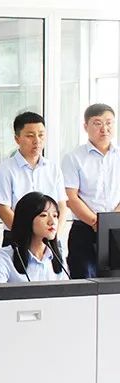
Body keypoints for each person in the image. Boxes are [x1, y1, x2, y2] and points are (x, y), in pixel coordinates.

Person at [62, 103, 120, 278]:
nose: (104, 128)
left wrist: (112, 221)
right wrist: (97, 223)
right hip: (84, 230)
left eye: (109, 123)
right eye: (97, 123)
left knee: (114, 285)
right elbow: (71, 198)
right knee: (84, 282)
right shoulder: (73, 158)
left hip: (116, 228)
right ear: (85, 126)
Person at [0, 112, 68, 246]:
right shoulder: (5, 169)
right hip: (17, 238)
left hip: (49, 239)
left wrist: (53, 235)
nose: (37, 141)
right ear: (17, 139)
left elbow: (61, 206)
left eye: (41, 135)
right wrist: (28, 237)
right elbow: (3, 210)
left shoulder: (53, 169)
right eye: (30, 136)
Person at [0, 192, 68, 283]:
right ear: (27, 219)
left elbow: (67, 290)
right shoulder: (5, 257)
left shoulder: (59, 256)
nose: (52, 222)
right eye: (43, 215)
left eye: (55, 216)